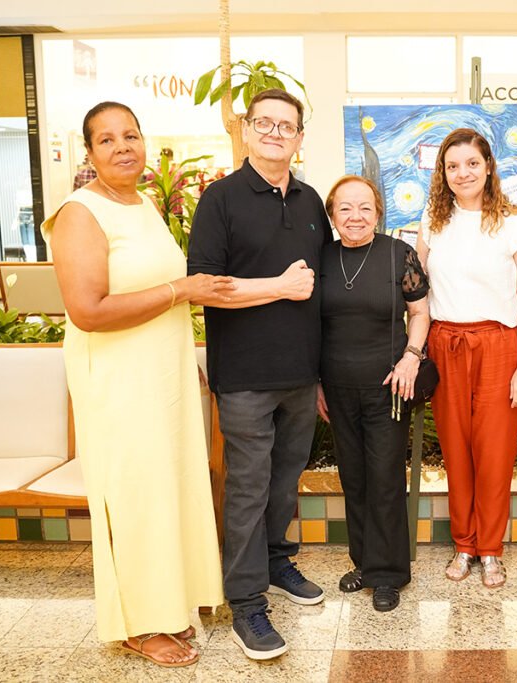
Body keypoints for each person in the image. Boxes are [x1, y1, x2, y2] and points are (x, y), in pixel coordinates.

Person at [43, 101, 231, 668]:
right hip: (118, 382)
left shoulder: (143, 203)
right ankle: (138, 625)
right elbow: (88, 311)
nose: (123, 147)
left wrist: (184, 355)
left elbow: (153, 290)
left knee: (164, 490)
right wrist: (183, 290)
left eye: (131, 135)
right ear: (89, 152)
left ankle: (167, 607)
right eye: (107, 139)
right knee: (132, 496)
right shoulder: (79, 213)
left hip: (161, 376)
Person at [187, 88, 331, 661]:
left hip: (300, 374)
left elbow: (318, 290)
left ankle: (275, 561)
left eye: (286, 125)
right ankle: (246, 602)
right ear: (246, 130)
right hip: (245, 375)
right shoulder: (219, 199)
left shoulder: (310, 199)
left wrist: (321, 374)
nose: (275, 132)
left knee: (284, 479)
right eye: (264, 122)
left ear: (299, 138)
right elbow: (204, 287)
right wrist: (278, 287)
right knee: (248, 486)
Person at [416, 128, 517, 588]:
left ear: (488, 167)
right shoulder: (432, 222)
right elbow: (417, 296)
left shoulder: (515, 224)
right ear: (442, 173)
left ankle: (490, 549)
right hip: (445, 343)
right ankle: (464, 544)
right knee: (455, 449)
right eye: (452, 166)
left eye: (471, 163)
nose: (462, 173)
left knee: (495, 451)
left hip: (498, 345)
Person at [316, 175, 430, 612]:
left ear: (378, 213)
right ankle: (363, 562)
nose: (355, 216)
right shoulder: (321, 257)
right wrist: (316, 383)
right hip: (337, 387)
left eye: (365, 207)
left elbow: (419, 313)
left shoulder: (398, 255)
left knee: (384, 478)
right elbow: (310, 326)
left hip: (389, 385)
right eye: (345, 208)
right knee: (355, 477)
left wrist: (411, 357)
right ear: (332, 214)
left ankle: (388, 574)